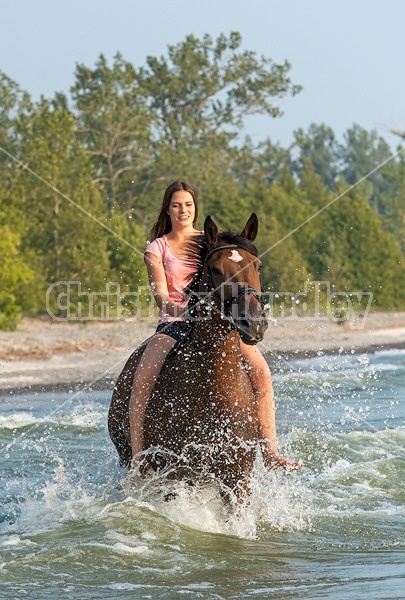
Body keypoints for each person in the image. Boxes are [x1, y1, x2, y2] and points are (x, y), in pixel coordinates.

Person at [129, 180, 302, 472]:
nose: (182, 210)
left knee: (261, 371)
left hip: (218, 325)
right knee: (143, 378)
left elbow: (233, 271)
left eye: (188, 204)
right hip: (174, 323)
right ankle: (138, 456)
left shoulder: (208, 242)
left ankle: (270, 451)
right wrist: (182, 311)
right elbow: (160, 295)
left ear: (195, 208)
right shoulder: (157, 247)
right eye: (176, 205)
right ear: (167, 209)